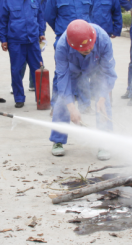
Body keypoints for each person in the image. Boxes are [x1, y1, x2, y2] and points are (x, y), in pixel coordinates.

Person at [49, 20, 115, 160]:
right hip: (72, 70)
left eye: (89, 47)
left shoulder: (103, 39)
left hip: (96, 69)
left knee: (103, 104)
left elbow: (108, 72)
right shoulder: (62, 45)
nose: (87, 50)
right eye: (83, 49)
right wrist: (71, 107)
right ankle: (58, 140)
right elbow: (63, 77)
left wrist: (102, 97)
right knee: (62, 101)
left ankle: (104, 142)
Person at [44, 0, 94, 105]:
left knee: (84, 72)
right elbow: (49, 17)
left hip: (84, 40)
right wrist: (62, 32)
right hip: (64, 40)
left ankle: (85, 104)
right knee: (62, 72)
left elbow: (90, 14)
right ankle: (57, 105)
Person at [0, 0, 45, 108]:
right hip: (15, 41)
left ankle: (41, 97)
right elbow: (2, 20)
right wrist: (3, 39)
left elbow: (40, 16)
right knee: (16, 70)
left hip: (32, 41)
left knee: (38, 69)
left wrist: (41, 33)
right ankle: (19, 98)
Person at [25, 0, 52, 91]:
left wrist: (42, 31)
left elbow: (44, 12)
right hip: (25, 27)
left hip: (39, 26)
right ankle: (16, 85)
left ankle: (33, 84)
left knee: (36, 57)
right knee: (21, 60)